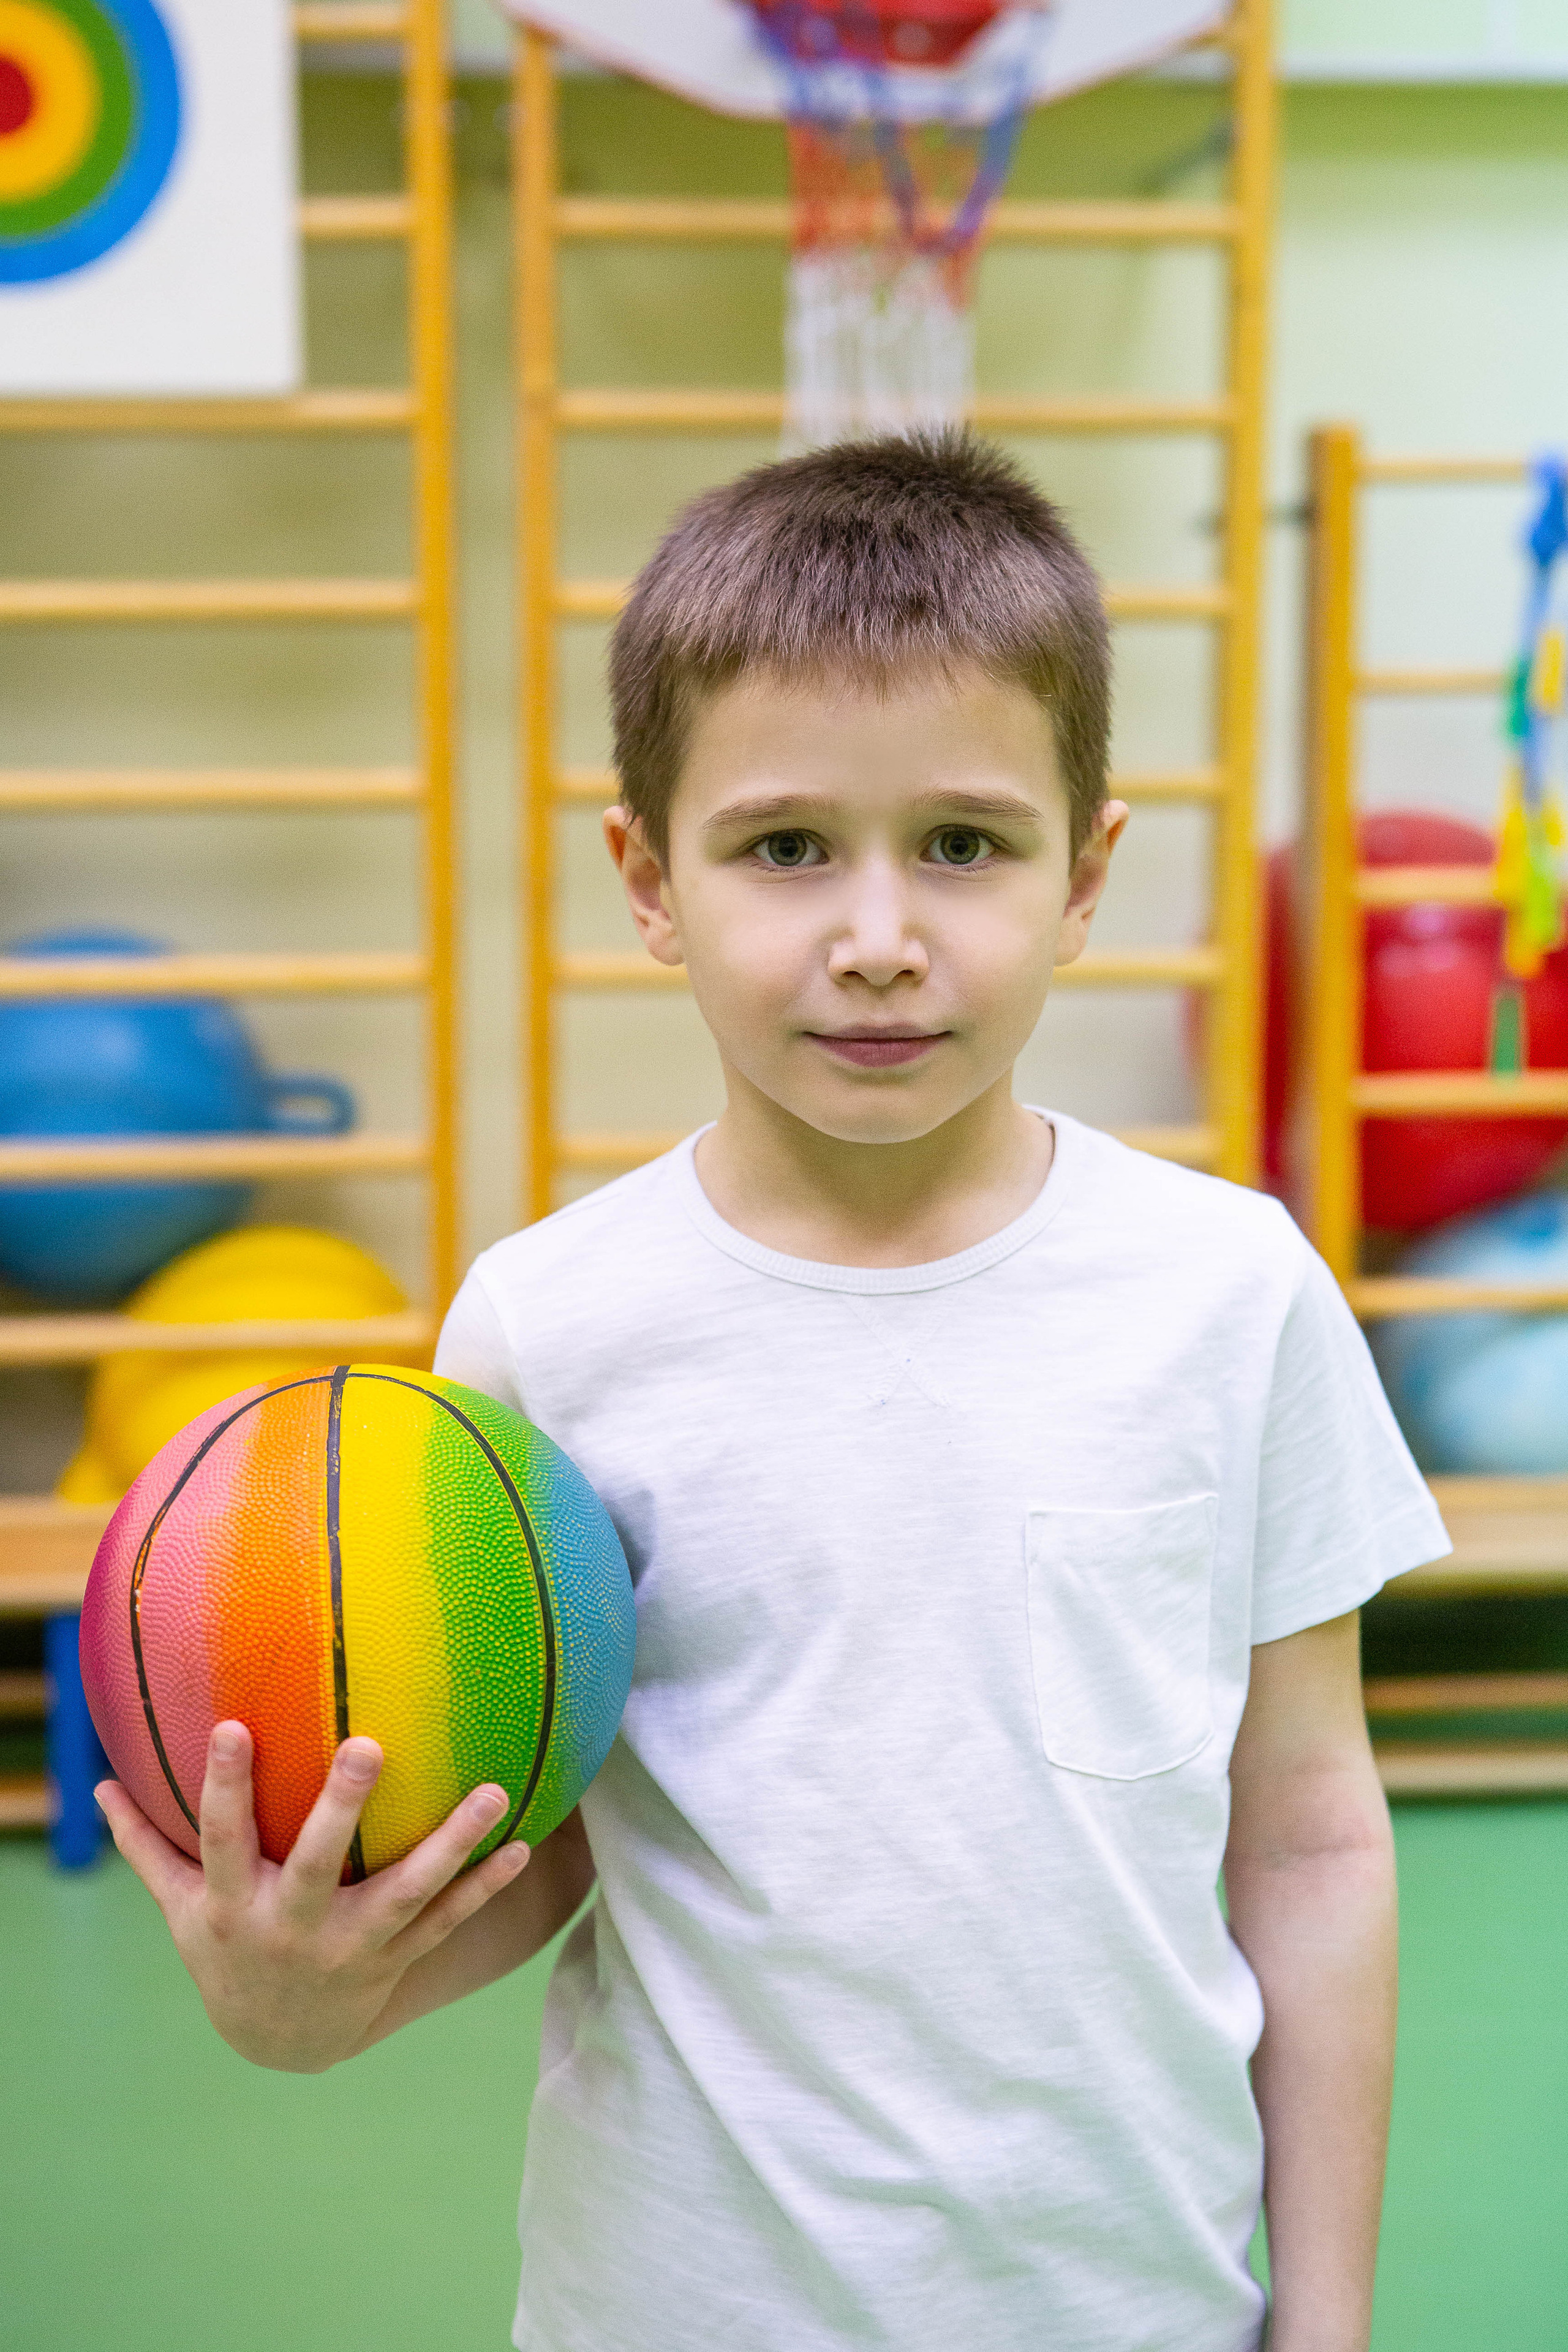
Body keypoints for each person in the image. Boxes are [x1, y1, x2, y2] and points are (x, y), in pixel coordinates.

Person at [100, 432, 1450, 2352]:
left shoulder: (1230, 1296)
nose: (879, 934)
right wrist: (316, 1989)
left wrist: (1325, 2328)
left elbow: (1309, 1837)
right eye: (787, 846)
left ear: (1089, 877)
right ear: (652, 880)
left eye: (965, 845)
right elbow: (542, 1830)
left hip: (1133, 2305)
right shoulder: (548, 1327)